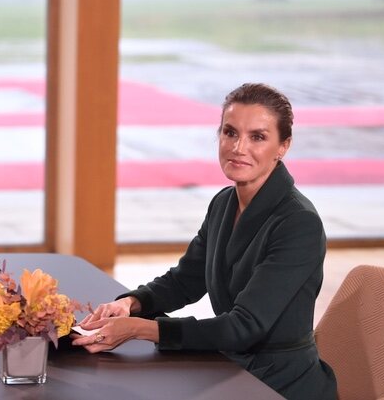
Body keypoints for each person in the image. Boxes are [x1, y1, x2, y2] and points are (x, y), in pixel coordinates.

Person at [72, 83, 337, 399]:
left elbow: (244, 327)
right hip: (229, 366)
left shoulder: (298, 223)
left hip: (280, 384)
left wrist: (139, 329)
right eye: (230, 132)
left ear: (283, 146)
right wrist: (131, 304)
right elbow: (186, 281)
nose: (238, 147)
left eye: (257, 137)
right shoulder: (224, 203)